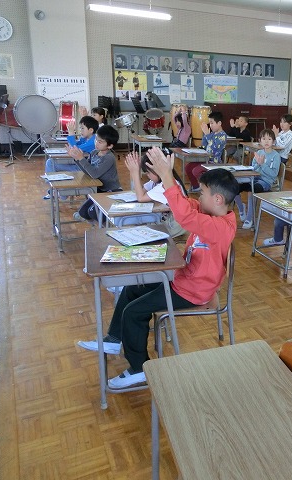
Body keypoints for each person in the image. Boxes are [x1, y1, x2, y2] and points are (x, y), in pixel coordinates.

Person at [78, 147, 239, 389]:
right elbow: (185, 205)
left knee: (133, 312)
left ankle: (139, 369)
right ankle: (114, 338)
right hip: (183, 279)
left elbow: (185, 217)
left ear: (217, 199)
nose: (199, 196)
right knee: (131, 289)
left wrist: (166, 176)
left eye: (203, 192)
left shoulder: (221, 228)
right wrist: (167, 177)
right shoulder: (209, 213)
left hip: (193, 291)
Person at [117, 151, 188, 237]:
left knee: (138, 231)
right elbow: (139, 192)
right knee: (136, 226)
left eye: (148, 172)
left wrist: (135, 173)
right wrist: (134, 171)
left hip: (175, 224)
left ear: (157, 170)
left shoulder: (164, 185)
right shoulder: (156, 181)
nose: (147, 175)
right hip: (167, 219)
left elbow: (140, 198)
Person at [70, 125, 122, 222]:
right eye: (96, 140)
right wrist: (77, 158)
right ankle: (99, 221)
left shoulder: (109, 158)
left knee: (93, 212)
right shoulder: (94, 152)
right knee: (83, 212)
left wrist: (81, 158)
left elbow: (94, 174)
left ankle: (108, 224)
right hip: (98, 190)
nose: (96, 143)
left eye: (100, 142)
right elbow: (87, 171)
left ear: (110, 146)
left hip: (111, 191)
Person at [235, 128, 280, 229]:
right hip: (254, 178)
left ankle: (249, 218)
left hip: (266, 182)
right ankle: (241, 208)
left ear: (273, 141)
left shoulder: (276, 156)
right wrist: (258, 164)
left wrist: (262, 164)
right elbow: (253, 168)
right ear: (260, 141)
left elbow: (273, 174)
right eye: (264, 139)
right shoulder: (259, 152)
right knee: (234, 186)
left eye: (269, 139)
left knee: (252, 189)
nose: (266, 141)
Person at [44, 115, 98, 181]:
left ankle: (52, 185)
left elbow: (74, 149)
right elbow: (74, 145)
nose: (80, 130)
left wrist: (71, 133)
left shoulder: (93, 142)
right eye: (80, 128)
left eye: (82, 128)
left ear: (91, 130)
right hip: (79, 163)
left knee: (50, 163)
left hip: (83, 168)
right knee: (50, 162)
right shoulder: (86, 138)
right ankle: (52, 185)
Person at [185, 111, 227, 192]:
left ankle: (208, 188)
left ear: (219, 123)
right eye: (209, 123)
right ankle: (196, 187)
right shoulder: (212, 134)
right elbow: (204, 146)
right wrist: (204, 134)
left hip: (214, 161)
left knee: (196, 171)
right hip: (205, 159)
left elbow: (214, 149)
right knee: (188, 167)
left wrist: (207, 134)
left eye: (212, 123)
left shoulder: (222, 136)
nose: (210, 125)